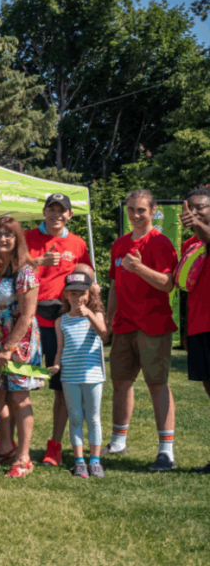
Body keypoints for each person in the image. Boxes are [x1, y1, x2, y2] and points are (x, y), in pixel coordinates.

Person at [105, 190, 179, 471]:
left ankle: (166, 452)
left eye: (142, 210)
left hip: (154, 324)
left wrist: (139, 268)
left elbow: (167, 284)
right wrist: (109, 320)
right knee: (121, 383)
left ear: (153, 211)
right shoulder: (119, 244)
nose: (136, 215)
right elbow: (114, 284)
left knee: (157, 384)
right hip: (123, 324)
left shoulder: (161, 242)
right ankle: (118, 442)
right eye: (132, 209)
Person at [19, 193, 91, 467]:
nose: (56, 215)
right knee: (16, 386)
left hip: (64, 323)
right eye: (52, 209)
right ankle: (8, 443)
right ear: (44, 211)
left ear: (70, 215)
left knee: (63, 389)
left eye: (62, 211)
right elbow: (9, 269)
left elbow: (87, 274)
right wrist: (36, 263)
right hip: (30, 321)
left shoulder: (77, 243)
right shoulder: (26, 238)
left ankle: (55, 446)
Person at [0, 217, 43, 478]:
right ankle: (5, 446)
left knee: (18, 396)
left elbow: (27, 316)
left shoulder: (25, 271)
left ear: (18, 240)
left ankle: (24, 457)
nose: (3, 239)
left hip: (19, 341)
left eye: (9, 235)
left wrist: (9, 347)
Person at [54, 269, 108, 478]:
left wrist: (91, 315)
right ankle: (79, 462)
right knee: (76, 418)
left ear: (89, 294)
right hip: (70, 376)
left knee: (93, 418)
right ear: (66, 295)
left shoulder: (96, 315)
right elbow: (60, 349)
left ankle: (95, 461)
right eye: (73, 293)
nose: (77, 297)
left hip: (93, 376)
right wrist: (56, 366)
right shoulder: (62, 321)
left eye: (81, 293)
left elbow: (104, 335)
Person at [179, 188, 210, 473]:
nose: (197, 212)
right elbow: (185, 286)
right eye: (191, 208)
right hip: (200, 326)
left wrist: (199, 224)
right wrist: (187, 331)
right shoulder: (191, 243)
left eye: (202, 207)